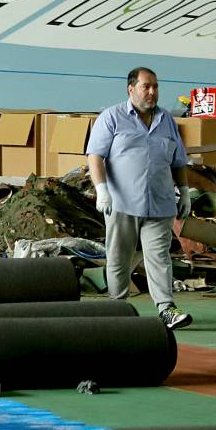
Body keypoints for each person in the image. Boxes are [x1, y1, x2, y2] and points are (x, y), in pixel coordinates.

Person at [86, 66, 194, 330]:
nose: (152, 92)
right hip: (122, 203)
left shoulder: (166, 119)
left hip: (160, 202)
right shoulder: (111, 117)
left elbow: (178, 160)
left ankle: (166, 309)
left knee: (159, 257)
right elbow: (95, 156)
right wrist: (102, 189)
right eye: (146, 86)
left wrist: (185, 191)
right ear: (131, 89)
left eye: (155, 86)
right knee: (119, 257)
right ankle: (118, 307)